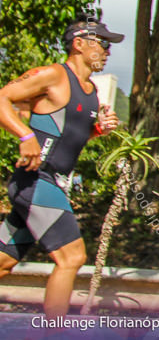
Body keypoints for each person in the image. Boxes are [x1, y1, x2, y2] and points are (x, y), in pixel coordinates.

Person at [0, 16, 123, 317]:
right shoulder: (53, 74)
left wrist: (98, 130)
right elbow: (3, 97)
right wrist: (25, 136)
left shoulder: (92, 91)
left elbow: (68, 133)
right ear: (79, 44)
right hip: (35, 181)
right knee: (72, 257)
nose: (108, 51)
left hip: (50, 185)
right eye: (103, 43)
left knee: (3, 262)